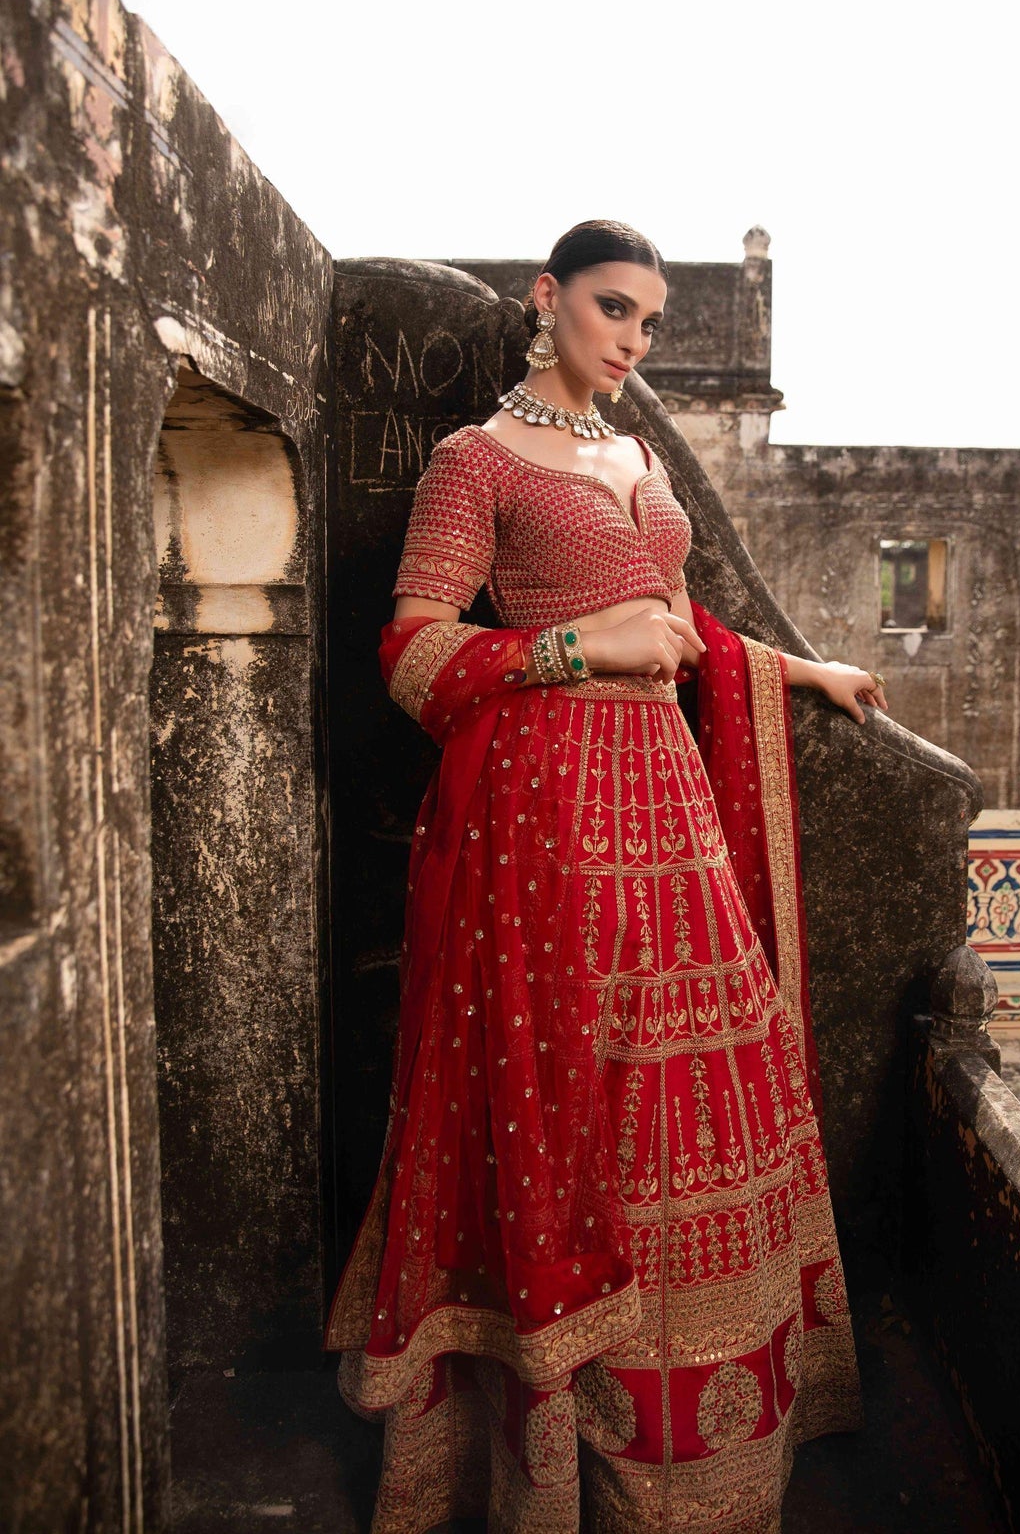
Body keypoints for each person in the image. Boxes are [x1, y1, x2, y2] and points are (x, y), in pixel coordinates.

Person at [326, 220, 886, 1534]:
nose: (630, 341)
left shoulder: (636, 454)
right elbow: (413, 650)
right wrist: (570, 648)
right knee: (587, 1094)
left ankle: (711, 1439)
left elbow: (682, 631)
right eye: (611, 310)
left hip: (672, 809)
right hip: (553, 819)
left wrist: (796, 672)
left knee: (710, 1077)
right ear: (547, 299)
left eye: (648, 323)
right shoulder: (477, 464)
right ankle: (557, 1446)